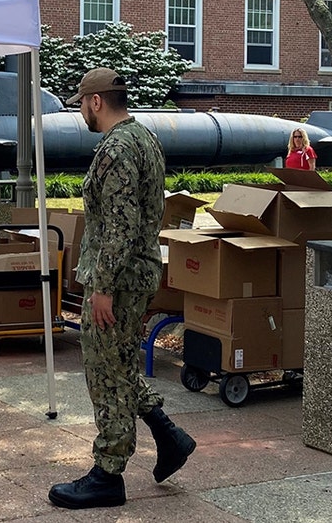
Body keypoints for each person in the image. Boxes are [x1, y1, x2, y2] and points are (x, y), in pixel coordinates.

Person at [48, 68, 196, 510]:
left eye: (80, 102)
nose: (80, 111)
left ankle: (108, 474)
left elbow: (119, 225)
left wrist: (103, 286)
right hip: (137, 275)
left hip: (119, 280)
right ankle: (168, 435)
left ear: (96, 101)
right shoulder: (144, 139)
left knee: (105, 374)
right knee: (121, 363)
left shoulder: (116, 148)